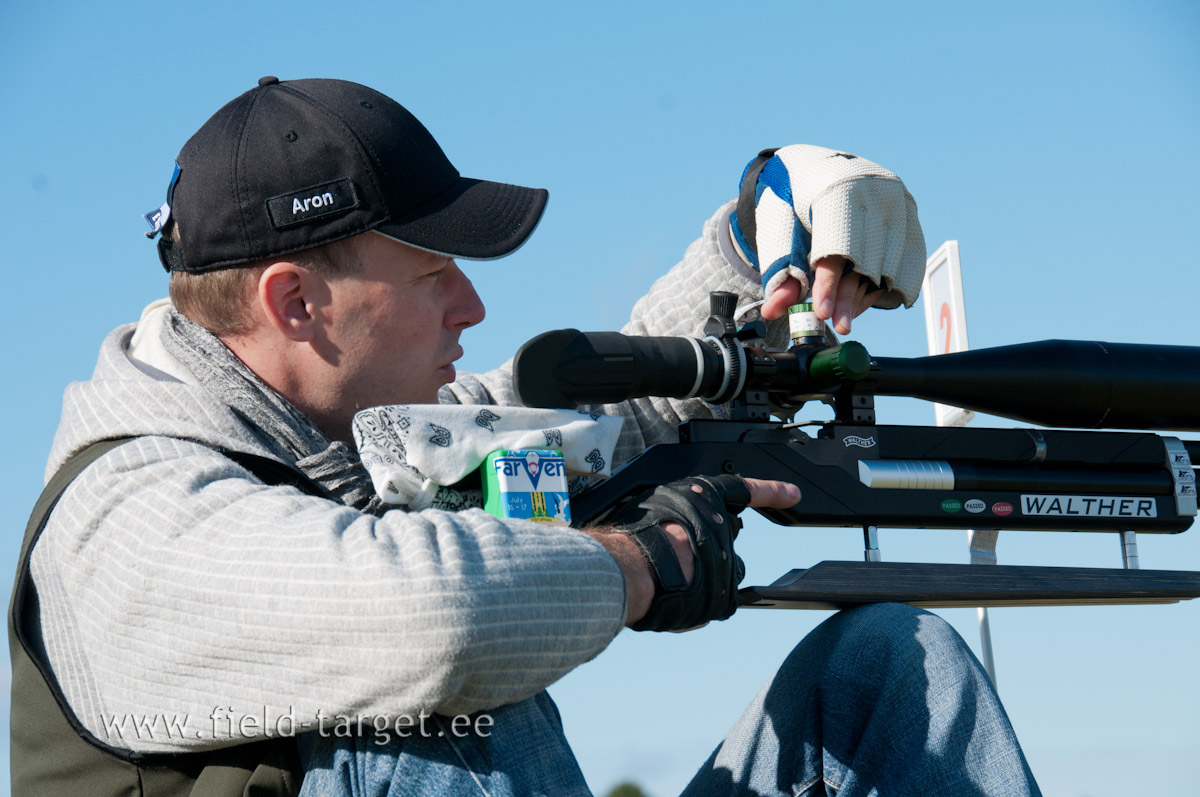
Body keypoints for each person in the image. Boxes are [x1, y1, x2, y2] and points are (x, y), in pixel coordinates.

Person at [10, 76, 1041, 796]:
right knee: (428, 699)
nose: (473, 305)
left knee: (891, 665)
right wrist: (642, 558)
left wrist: (754, 237)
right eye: (431, 274)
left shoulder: (372, 452)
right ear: (297, 304)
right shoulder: (127, 516)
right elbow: (434, 614)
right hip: (420, 645)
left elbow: (605, 421)